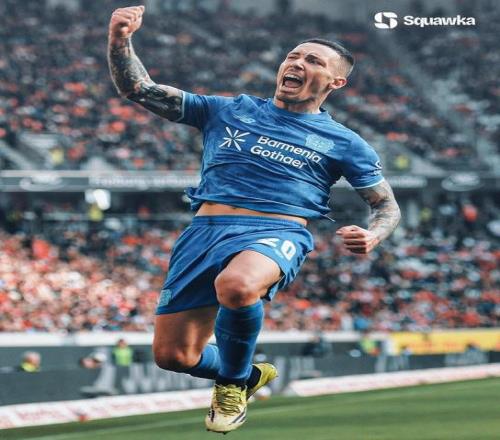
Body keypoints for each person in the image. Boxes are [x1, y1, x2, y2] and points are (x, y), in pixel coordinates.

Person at [108, 5, 401, 434]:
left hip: (277, 231)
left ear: (336, 82)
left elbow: (386, 205)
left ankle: (230, 386)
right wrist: (120, 40)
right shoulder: (228, 110)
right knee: (174, 357)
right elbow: (139, 89)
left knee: (238, 285)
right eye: (292, 56)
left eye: (313, 61)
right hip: (202, 233)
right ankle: (247, 374)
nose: (296, 63)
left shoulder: (346, 143)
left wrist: (374, 234)